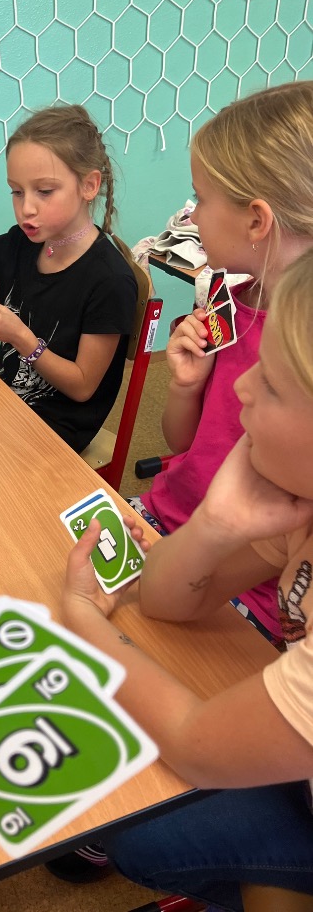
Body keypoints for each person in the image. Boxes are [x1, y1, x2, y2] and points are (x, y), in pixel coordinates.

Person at [57, 247, 313, 910]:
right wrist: (216, 525)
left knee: (139, 829)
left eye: (271, 385)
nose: (241, 389)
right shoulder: (299, 506)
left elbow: (195, 745)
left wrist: (82, 622)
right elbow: (167, 603)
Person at [129, 81, 313, 646]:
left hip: (247, 581)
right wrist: (185, 387)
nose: (190, 214)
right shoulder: (227, 304)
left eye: (200, 199)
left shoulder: (300, 353)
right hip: (171, 516)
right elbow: (183, 442)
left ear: (257, 221)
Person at [0, 104, 138, 454]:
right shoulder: (21, 243)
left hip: (55, 430)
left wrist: (21, 338)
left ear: (89, 185)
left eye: (44, 191)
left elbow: (82, 387)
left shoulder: (110, 280)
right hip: (1, 400)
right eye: (17, 191)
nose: (26, 208)